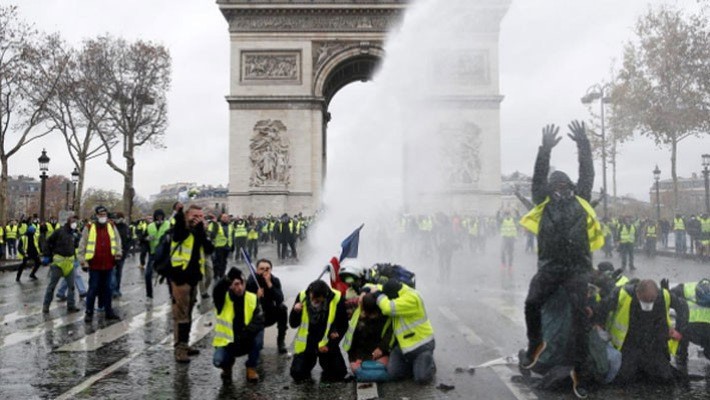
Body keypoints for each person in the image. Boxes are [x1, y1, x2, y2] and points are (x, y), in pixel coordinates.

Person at [518, 122, 602, 398]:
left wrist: (583, 145)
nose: (560, 188)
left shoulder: (582, 199)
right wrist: (545, 150)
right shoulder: (543, 201)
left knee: (580, 323)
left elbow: (587, 172)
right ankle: (534, 346)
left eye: (565, 184)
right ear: (550, 188)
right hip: (552, 267)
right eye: (556, 184)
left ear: (572, 187)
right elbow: (538, 177)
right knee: (532, 303)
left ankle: (582, 375)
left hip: (577, 269)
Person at [595, 279, 687, 384]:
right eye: (644, 299)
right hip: (629, 343)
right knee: (624, 378)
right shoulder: (622, 294)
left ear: (657, 293)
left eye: (652, 299)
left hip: (654, 343)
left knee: (664, 378)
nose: (648, 303)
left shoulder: (664, 295)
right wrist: (599, 326)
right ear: (637, 293)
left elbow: (683, 307)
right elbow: (602, 308)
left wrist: (679, 330)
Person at [167, 204, 214, 363]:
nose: (198, 219)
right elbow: (179, 229)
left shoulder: (198, 232)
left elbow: (209, 249)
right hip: (180, 276)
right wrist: (180, 213)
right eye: (194, 216)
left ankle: (184, 344)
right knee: (181, 315)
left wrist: (202, 231)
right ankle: (180, 349)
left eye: (200, 216)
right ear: (187, 216)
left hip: (194, 277)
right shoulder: (180, 229)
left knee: (188, 313)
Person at [373, 279, 435, 384]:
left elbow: (388, 307)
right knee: (394, 375)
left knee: (421, 379)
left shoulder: (411, 298)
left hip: (421, 346)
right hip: (403, 346)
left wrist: (379, 296)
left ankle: (429, 363)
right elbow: (378, 287)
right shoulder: (399, 290)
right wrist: (368, 289)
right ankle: (414, 364)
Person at [289, 279, 348, 382]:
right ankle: (308, 362)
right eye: (313, 298)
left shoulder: (336, 298)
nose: (315, 301)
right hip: (308, 342)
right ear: (310, 293)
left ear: (325, 296)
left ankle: (327, 364)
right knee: (297, 374)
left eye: (318, 299)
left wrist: (330, 344)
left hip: (327, 342)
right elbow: (293, 324)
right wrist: (295, 311)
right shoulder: (302, 296)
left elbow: (343, 325)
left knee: (339, 374)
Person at [213, 267, 265, 383]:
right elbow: (217, 290)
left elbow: (259, 320)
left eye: (242, 283)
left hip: (246, 338)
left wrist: (245, 333)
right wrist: (227, 278)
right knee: (218, 361)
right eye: (236, 284)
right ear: (230, 285)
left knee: (259, 336)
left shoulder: (252, 298)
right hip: (228, 342)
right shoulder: (222, 299)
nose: (239, 287)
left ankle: (251, 367)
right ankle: (227, 367)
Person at [77, 206, 123, 322]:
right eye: (100, 215)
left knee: (108, 289)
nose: (103, 217)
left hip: (108, 264)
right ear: (96, 215)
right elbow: (82, 245)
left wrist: (118, 255)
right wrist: (83, 262)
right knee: (93, 289)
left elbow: (117, 242)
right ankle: (89, 312)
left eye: (104, 215)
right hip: (94, 265)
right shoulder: (89, 227)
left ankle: (109, 311)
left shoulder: (111, 226)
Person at [343, 293, 392, 381]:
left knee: (384, 369)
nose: (373, 317)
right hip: (360, 353)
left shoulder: (385, 315)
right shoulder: (358, 319)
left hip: (379, 351)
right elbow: (355, 344)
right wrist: (358, 358)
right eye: (370, 314)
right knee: (357, 369)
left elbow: (389, 335)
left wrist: (381, 348)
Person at [246, 258, 288, 354]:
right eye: (262, 269)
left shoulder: (275, 280)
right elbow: (245, 304)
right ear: (257, 270)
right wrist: (256, 297)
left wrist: (269, 284)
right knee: (257, 346)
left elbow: (280, 299)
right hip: (255, 316)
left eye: (267, 269)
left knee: (282, 308)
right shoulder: (251, 281)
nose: (265, 271)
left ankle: (281, 340)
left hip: (269, 314)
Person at [42, 216, 81, 314]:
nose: (75, 223)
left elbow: (75, 246)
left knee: (71, 286)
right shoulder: (59, 232)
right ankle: (46, 305)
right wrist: (47, 255)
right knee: (52, 286)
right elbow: (48, 242)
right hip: (58, 264)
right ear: (68, 222)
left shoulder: (74, 234)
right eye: (73, 221)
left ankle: (71, 306)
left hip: (69, 264)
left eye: (76, 222)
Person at [670, 279, 710, 366]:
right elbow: (670, 297)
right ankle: (681, 356)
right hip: (688, 328)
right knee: (681, 339)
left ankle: (680, 357)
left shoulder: (685, 289)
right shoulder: (687, 289)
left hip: (694, 329)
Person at [145, 209, 171, 299]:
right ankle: (149, 294)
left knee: (169, 275)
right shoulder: (150, 226)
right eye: (157, 216)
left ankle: (171, 293)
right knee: (148, 274)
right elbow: (143, 237)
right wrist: (146, 238)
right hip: (153, 253)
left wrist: (169, 237)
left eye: (161, 216)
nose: (159, 218)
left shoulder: (168, 224)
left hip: (165, 254)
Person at [112, 212, 131, 298]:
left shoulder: (126, 227)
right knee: (113, 272)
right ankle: (112, 290)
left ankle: (117, 289)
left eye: (119, 217)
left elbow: (129, 240)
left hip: (122, 254)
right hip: (113, 253)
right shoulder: (112, 227)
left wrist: (125, 251)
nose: (118, 219)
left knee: (118, 273)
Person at [210, 213, 233, 280]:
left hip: (227, 246)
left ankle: (222, 274)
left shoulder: (230, 225)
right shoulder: (216, 224)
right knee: (218, 261)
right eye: (224, 217)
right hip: (218, 246)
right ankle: (217, 274)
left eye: (226, 217)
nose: (225, 218)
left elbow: (231, 235)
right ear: (221, 218)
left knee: (224, 261)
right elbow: (212, 235)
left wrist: (232, 245)